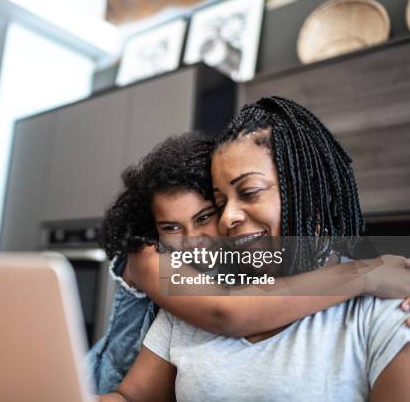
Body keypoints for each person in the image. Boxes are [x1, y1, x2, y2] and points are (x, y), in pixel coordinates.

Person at [89, 129, 410, 396]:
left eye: (205, 217)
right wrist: (367, 274)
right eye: (171, 228)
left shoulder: (371, 317)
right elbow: (226, 311)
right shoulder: (150, 257)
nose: (192, 239)